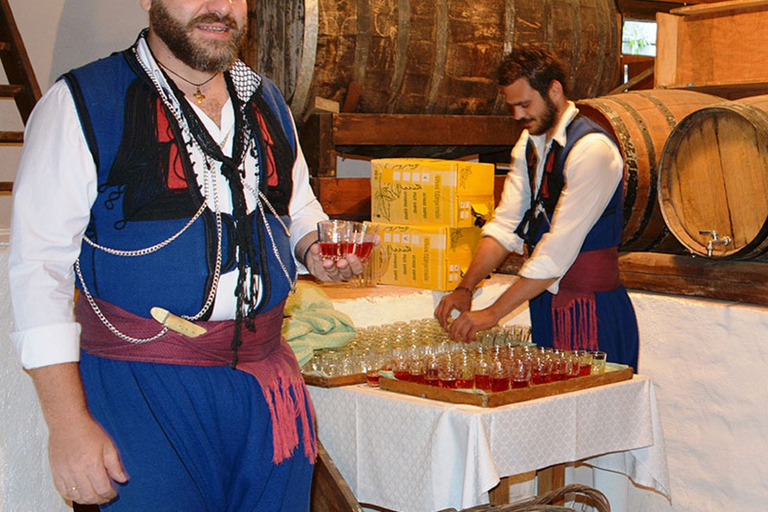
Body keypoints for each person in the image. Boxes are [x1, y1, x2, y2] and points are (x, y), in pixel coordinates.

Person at [8, 0, 364, 509]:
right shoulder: (82, 101)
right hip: (143, 389)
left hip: (267, 389)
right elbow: (37, 267)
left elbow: (297, 208)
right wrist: (67, 425)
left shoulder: (268, 101)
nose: (220, 7)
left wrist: (315, 248)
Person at [435, 46, 639, 370]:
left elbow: (556, 253)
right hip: (545, 302)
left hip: (592, 310)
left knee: (592, 414)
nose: (518, 116)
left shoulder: (592, 149)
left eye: (525, 104)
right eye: (512, 106)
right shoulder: (529, 143)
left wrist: (493, 313)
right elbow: (505, 225)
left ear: (554, 90)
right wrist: (466, 287)